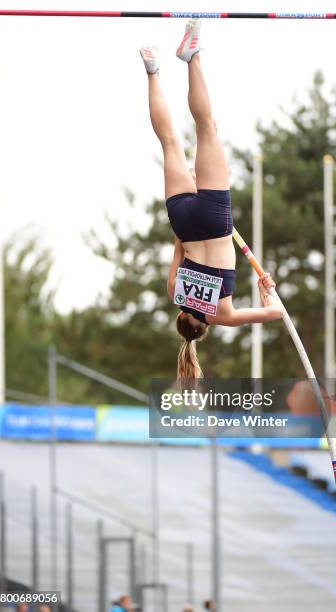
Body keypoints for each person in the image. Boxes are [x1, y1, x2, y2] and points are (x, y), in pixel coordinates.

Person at [140, 20, 283, 381]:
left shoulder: (225, 316)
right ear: (180, 319)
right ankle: (153, 70)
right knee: (170, 142)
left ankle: (192, 57)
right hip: (184, 222)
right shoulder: (175, 293)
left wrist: (268, 289)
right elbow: (177, 248)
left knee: (207, 127)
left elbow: (276, 313)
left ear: (203, 329)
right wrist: (187, 197)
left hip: (215, 222)